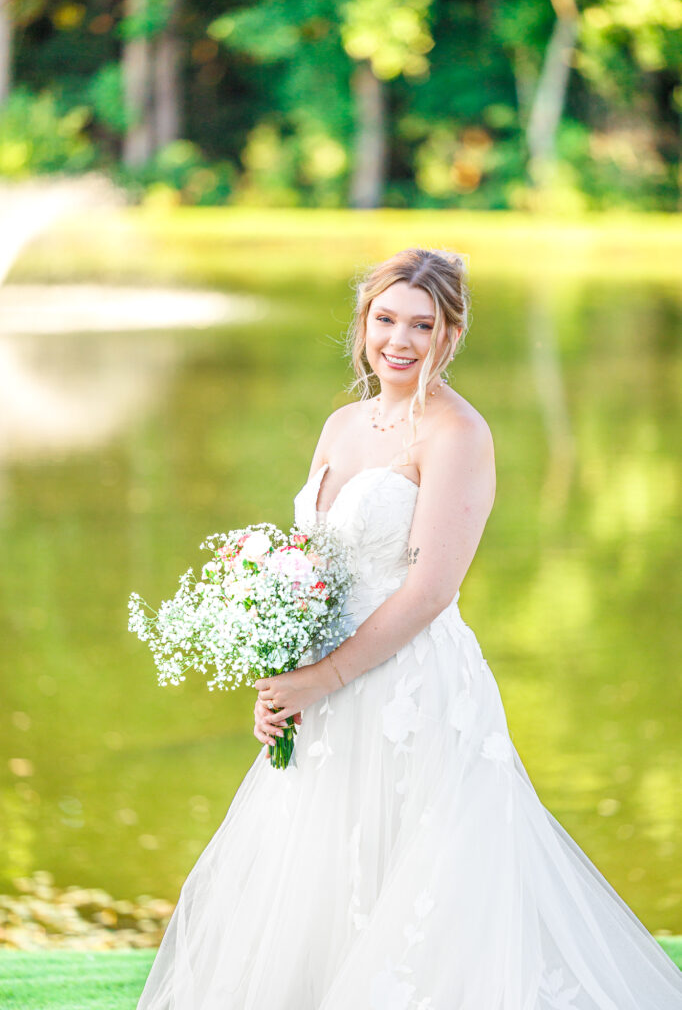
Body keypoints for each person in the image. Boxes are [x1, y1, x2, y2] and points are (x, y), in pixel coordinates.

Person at [137, 248, 682, 1009]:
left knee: (421, 877)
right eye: (385, 319)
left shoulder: (457, 434)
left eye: (422, 325)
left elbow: (429, 590)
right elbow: (315, 561)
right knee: (323, 866)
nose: (400, 339)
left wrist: (322, 677)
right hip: (326, 688)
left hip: (410, 688)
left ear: (450, 335)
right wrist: (282, 667)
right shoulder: (341, 423)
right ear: (363, 323)